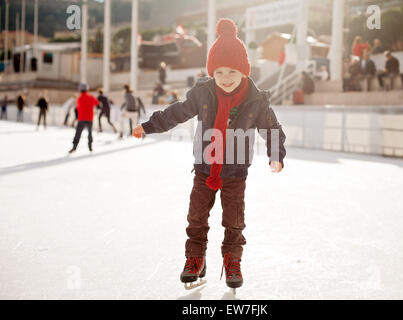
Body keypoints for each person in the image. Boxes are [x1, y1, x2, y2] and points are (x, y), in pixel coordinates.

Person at [132, 19, 286, 291]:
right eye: (220, 72)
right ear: (212, 72)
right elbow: (176, 113)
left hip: (236, 173)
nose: (226, 78)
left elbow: (272, 129)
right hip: (204, 170)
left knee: (234, 221)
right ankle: (195, 259)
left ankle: (232, 262)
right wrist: (148, 127)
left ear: (244, 72)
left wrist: (276, 155)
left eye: (233, 72)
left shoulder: (256, 100)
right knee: (196, 217)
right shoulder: (202, 93)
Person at [68, 83, 99, 154]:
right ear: (87, 89)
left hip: (81, 118)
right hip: (90, 118)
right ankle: (90, 146)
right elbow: (97, 104)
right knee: (90, 133)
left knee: (78, 133)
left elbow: (78, 108)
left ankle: (74, 147)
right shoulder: (91, 97)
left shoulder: (79, 99)